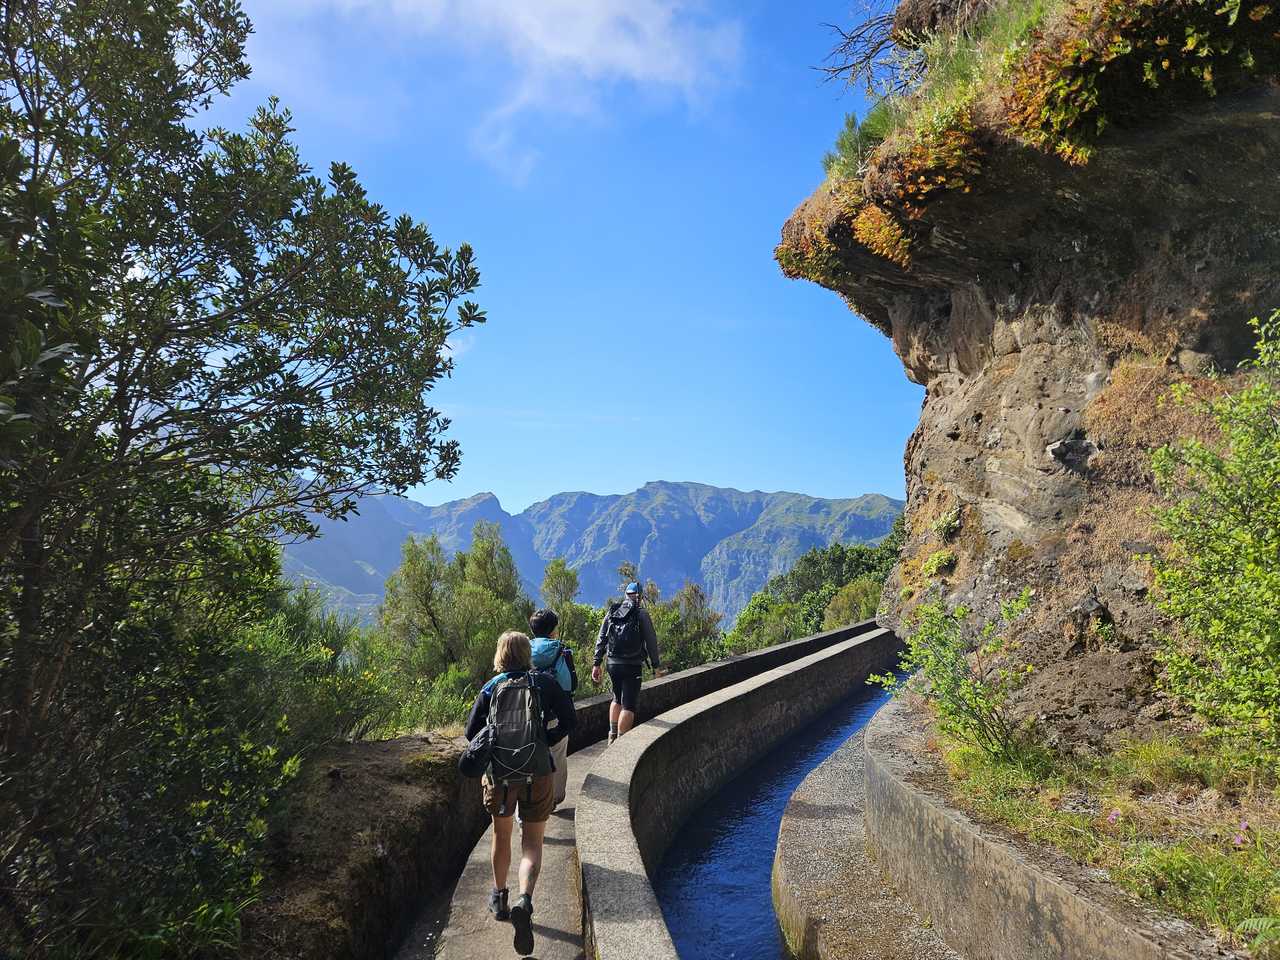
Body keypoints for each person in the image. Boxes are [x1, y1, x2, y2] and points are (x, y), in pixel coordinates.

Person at [464, 630, 577, 957]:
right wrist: (546, 737)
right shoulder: (543, 683)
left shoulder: (490, 687)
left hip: (499, 775)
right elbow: (570, 719)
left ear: (500, 655)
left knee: (502, 836)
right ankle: (525, 901)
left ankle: (499, 898)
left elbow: (472, 733)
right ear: (528, 654)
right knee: (532, 842)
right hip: (537, 772)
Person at [591, 581, 662, 744]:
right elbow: (651, 641)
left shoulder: (613, 611)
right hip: (632, 665)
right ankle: (620, 744)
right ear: (640, 596)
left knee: (616, 699)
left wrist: (597, 663)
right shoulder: (641, 614)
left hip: (612, 664)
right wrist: (656, 666)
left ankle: (612, 735)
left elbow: (602, 637)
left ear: (626, 595)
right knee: (628, 706)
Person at [527, 607, 577, 806]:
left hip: (528, 713)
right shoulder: (561, 650)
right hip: (555, 713)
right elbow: (570, 684)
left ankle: (532, 799)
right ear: (553, 630)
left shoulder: (522, 649)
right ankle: (554, 798)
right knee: (557, 754)